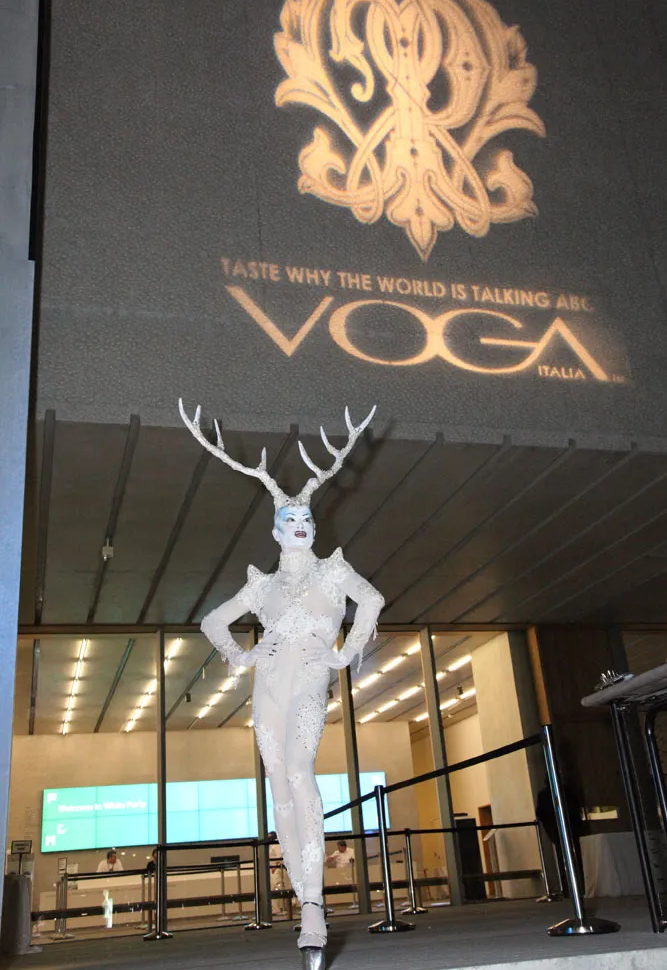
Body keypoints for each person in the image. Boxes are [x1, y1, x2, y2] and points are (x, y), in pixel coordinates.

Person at [180, 400, 384, 964]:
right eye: (291, 521)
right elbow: (211, 621)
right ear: (275, 532)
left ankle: (314, 905)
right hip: (268, 685)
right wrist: (243, 656)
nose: (301, 526)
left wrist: (344, 655)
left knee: (299, 772)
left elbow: (372, 601)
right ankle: (303, 898)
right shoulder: (261, 586)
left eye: (307, 521)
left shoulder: (334, 570)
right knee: (279, 784)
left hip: (311, 682)